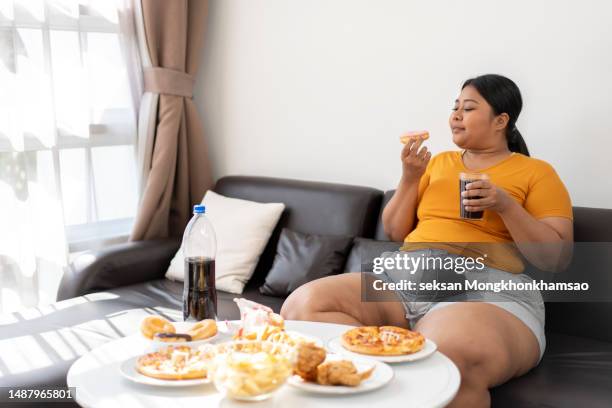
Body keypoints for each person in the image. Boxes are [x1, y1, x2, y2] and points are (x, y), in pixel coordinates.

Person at [281, 74, 574, 407]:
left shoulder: (537, 172)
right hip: (403, 280)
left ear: (501, 121)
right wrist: (409, 178)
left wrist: (504, 205)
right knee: (302, 308)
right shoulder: (438, 164)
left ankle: (411, 358)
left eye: (469, 108)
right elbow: (394, 232)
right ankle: (383, 372)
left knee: (444, 359)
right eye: (455, 107)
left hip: (486, 291)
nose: (456, 115)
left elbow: (556, 257)